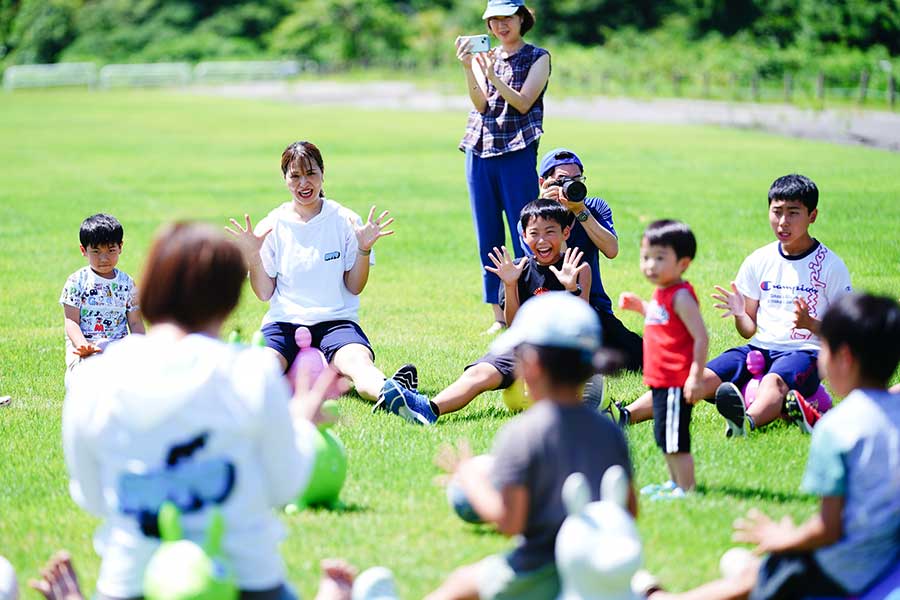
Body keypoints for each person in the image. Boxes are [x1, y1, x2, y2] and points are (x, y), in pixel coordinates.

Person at [63, 223, 335, 600]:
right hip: (246, 579)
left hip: (130, 583)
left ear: (152, 289)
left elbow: (92, 498)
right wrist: (300, 425)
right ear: (229, 299)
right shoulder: (252, 372)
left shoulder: (93, 378)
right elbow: (285, 486)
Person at [646, 293, 900, 600]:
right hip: (887, 559)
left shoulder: (838, 428)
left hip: (843, 572)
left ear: (843, 358)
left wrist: (782, 537)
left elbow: (828, 530)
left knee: (767, 574)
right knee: (753, 567)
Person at [427, 292, 636, 600]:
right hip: (601, 564)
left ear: (531, 365)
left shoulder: (523, 434)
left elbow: (511, 522)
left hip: (541, 568)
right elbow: (628, 511)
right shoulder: (610, 430)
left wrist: (470, 478)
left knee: (460, 584)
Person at [623, 174, 852, 436]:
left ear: (812, 215)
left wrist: (809, 324)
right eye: (777, 212)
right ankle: (625, 415)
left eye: (793, 213)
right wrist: (740, 313)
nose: (783, 222)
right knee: (698, 377)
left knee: (772, 383)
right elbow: (748, 329)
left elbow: (846, 333)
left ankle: (745, 422)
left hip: (805, 352)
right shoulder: (759, 260)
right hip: (758, 348)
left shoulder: (830, 266)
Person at [225, 140, 421, 411]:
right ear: (284, 179)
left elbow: (354, 286)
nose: (304, 183)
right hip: (284, 324)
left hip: (336, 322)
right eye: (295, 176)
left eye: (311, 174)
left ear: (322, 173)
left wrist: (363, 249)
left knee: (359, 368)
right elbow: (264, 293)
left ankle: (395, 395)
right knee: (262, 372)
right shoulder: (272, 226)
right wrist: (254, 257)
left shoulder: (345, 220)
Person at [383, 199, 590, 423]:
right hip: (524, 347)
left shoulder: (578, 268)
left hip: (563, 351)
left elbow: (582, 324)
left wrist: (571, 288)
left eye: (550, 231)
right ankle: (426, 409)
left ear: (565, 232)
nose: (542, 240)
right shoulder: (516, 270)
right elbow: (514, 326)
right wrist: (510, 284)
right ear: (523, 236)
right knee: (479, 373)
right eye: (534, 233)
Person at [455, 0, 551, 334]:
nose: (500, 26)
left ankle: (532, 308)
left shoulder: (538, 57)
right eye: (493, 20)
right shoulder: (486, 57)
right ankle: (499, 315)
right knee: (488, 237)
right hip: (479, 149)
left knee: (527, 231)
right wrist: (470, 68)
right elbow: (480, 104)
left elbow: (524, 102)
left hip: (517, 149)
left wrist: (494, 75)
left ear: (522, 18)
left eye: (506, 18)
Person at [531, 148, 643, 372]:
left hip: (593, 306)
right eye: (562, 180)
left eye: (576, 179)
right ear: (544, 182)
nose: (569, 186)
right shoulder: (532, 217)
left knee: (640, 356)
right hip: (549, 311)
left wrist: (580, 210)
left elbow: (611, 250)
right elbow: (555, 259)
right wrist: (553, 214)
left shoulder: (595, 208)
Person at [619, 220, 707, 498]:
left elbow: (701, 337)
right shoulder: (662, 291)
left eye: (659, 258)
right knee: (664, 436)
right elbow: (664, 321)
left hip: (675, 381)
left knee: (675, 440)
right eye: (646, 257)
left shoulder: (681, 296)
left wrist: (695, 378)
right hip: (659, 380)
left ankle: (686, 487)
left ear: (683, 263)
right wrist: (642, 307)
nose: (650, 266)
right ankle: (673, 483)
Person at [59, 214, 145, 387]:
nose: (103, 259)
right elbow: (71, 322)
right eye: (96, 252)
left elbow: (135, 323)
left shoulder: (127, 284)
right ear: (84, 250)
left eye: (110, 251)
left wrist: (141, 349)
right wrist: (83, 346)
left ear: (120, 247)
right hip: (87, 349)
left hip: (117, 350)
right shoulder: (77, 282)